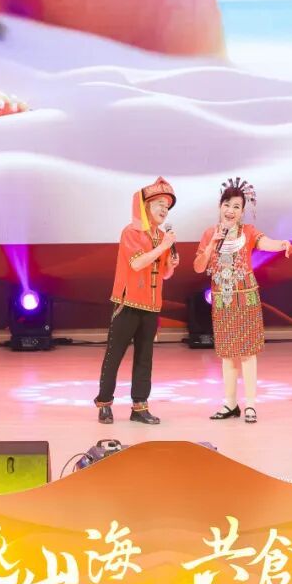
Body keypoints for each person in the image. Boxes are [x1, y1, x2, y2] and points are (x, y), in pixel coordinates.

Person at [193, 177, 292, 424]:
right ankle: (230, 403)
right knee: (227, 354)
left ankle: (250, 405)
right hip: (223, 300)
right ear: (220, 206)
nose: (230, 210)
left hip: (246, 298)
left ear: (242, 211)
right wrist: (211, 245)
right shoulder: (209, 234)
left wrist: (281, 244)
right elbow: (198, 267)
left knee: (248, 353)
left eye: (236, 206)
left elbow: (265, 242)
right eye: (227, 205)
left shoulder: (248, 232)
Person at [94, 176, 179, 425]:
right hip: (128, 303)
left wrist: (171, 265)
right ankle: (104, 403)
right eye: (160, 204)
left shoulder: (161, 236)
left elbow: (163, 273)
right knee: (115, 355)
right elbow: (137, 263)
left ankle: (140, 407)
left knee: (145, 357)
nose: (164, 209)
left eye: (167, 205)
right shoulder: (131, 232)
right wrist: (163, 248)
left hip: (151, 305)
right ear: (146, 206)